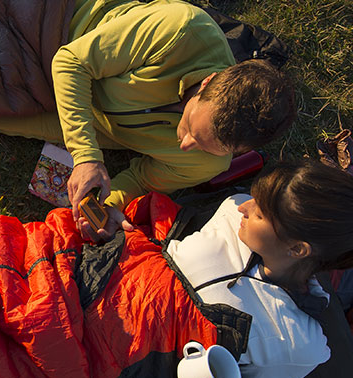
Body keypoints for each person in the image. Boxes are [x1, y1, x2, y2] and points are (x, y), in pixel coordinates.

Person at [52, 0, 296, 242]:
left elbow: (140, 178)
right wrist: (85, 155)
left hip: (56, 113)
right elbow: (70, 62)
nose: (184, 145)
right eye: (191, 127)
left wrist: (109, 205)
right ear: (207, 82)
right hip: (63, 25)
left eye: (203, 146)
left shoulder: (211, 164)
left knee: (11, 121)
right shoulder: (181, 30)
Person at [166, 160, 353, 378]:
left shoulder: (301, 343)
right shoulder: (231, 211)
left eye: (258, 213)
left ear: (297, 249)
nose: (243, 207)